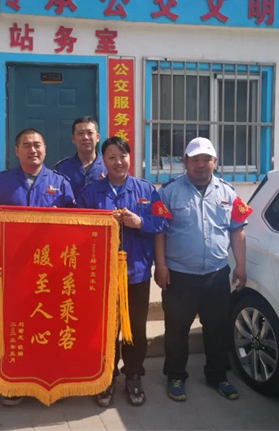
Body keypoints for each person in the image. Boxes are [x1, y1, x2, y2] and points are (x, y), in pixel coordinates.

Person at [0, 128, 75, 406]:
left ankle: (50, 379)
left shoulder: (60, 183)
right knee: (15, 325)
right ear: (16, 151)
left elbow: (76, 223)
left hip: (51, 270)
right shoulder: (1, 182)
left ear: (45, 149)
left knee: (51, 323)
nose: (32, 150)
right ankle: (15, 382)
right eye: (26, 145)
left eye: (37, 145)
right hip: (14, 269)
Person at [154, 137, 250, 403]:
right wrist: (160, 266)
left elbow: (238, 231)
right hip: (179, 275)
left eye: (206, 159)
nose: (200, 164)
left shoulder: (228, 193)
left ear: (215, 162)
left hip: (216, 274)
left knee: (217, 327)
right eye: (195, 159)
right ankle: (176, 376)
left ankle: (218, 375)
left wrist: (241, 266)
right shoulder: (169, 192)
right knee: (177, 328)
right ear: (185, 162)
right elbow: (159, 232)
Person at [77, 136, 171, 407]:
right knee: (106, 329)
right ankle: (106, 377)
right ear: (103, 161)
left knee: (135, 329)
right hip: (101, 275)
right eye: (111, 157)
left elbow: (164, 221)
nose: (118, 162)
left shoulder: (146, 189)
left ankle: (133, 375)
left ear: (130, 157)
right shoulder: (91, 193)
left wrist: (140, 221)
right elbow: (77, 227)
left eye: (123, 156)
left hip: (136, 274)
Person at [55, 116, 107, 196]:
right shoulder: (62, 168)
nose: (85, 137)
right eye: (80, 133)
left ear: (97, 137)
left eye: (90, 133)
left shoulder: (108, 166)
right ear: (73, 139)